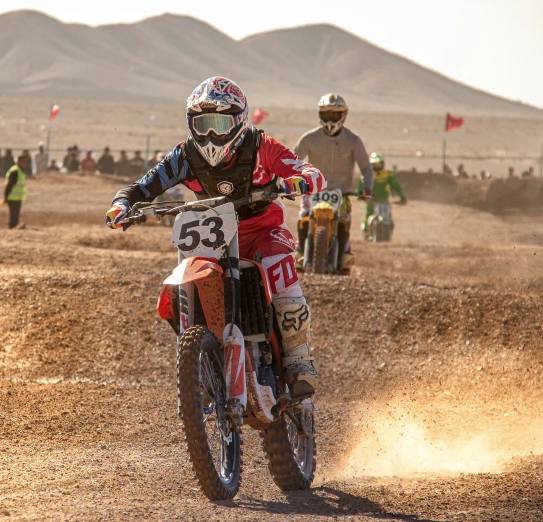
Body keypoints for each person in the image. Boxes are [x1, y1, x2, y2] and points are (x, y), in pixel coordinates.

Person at [105, 76, 326, 399]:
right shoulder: (184, 155)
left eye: (219, 123)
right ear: (190, 123)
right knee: (190, 278)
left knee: (281, 272)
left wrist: (301, 181)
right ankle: (203, 359)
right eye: (202, 123)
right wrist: (122, 204)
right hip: (214, 233)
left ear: (238, 121)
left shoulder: (261, 146)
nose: (210, 134)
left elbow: (307, 170)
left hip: (263, 230)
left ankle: (298, 361)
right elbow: (143, 186)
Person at [294, 93, 373, 275]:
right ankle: (299, 251)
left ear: (343, 115)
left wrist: (366, 187)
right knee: (304, 216)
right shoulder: (308, 138)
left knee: (344, 220)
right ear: (319, 115)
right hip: (313, 190)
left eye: (334, 115)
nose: (330, 119)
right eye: (326, 115)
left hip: (343, 192)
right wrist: (294, 181)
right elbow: (293, 162)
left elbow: (367, 169)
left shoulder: (354, 140)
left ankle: (345, 255)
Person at [359, 153, 406, 238]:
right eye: (375, 164)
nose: (377, 166)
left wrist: (401, 195)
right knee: (368, 215)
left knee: (388, 217)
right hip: (371, 202)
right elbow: (360, 187)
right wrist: (359, 195)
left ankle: (388, 233)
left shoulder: (388, 174)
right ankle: (366, 232)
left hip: (384, 201)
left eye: (379, 164)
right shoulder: (366, 175)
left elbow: (395, 185)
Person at [0, 154, 28, 229]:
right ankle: (11, 230)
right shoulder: (15, 171)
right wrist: (5, 197)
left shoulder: (20, 171)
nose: (24, 163)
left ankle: (14, 229)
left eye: (25, 161)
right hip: (12, 198)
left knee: (16, 216)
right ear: (18, 161)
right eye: (23, 161)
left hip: (17, 198)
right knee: (13, 217)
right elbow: (9, 185)